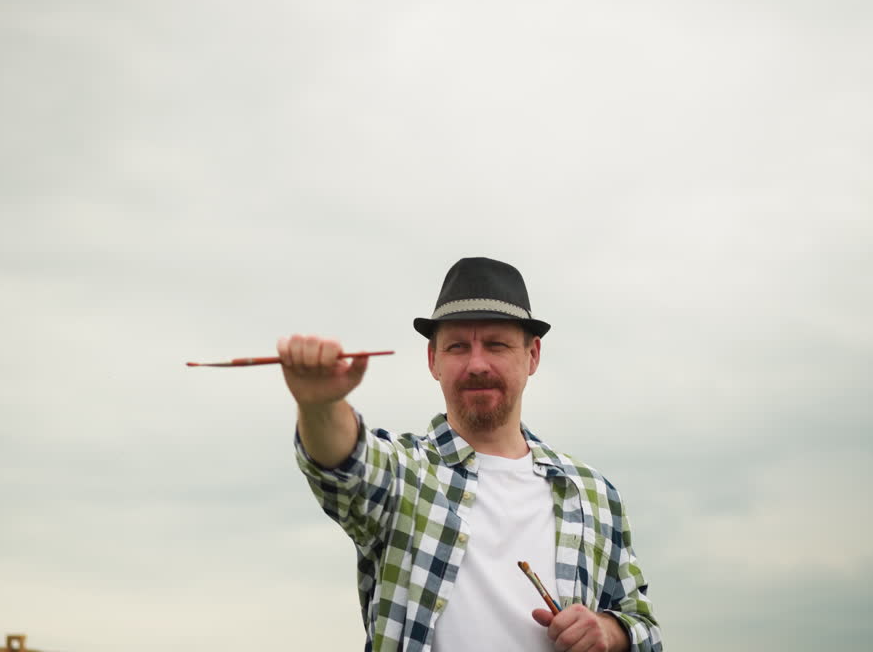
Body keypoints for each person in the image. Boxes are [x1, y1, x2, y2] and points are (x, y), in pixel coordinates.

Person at [279, 257, 662, 652]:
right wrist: (320, 405)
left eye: (496, 344)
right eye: (458, 346)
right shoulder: (403, 472)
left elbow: (644, 626)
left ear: (533, 355)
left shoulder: (593, 494)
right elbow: (344, 464)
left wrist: (610, 631)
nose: (477, 364)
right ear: (434, 360)